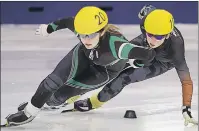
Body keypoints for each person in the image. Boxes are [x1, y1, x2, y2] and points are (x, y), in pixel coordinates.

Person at [2, 6, 155, 127]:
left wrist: (135, 63)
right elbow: (67, 21)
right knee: (53, 81)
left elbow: (148, 55)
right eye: (82, 35)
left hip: (104, 71)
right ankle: (29, 113)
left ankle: (51, 103)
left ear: (102, 32)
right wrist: (49, 28)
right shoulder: (82, 30)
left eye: (91, 35)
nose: (86, 39)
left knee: (58, 97)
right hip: (83, 56)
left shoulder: (117, 46)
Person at [62, 5, 197, 126]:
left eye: (159, 37)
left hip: (162, 62)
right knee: (115, 63)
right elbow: (151, 11)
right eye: (150, 34)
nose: (153, 40)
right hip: (143, 47)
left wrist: (186, 108)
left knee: (124, 77)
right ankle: (75, 91)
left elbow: (186, 81)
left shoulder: (176, 50)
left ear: (167, 35)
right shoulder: (148, 20)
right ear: (145, 28)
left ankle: (93, 103)